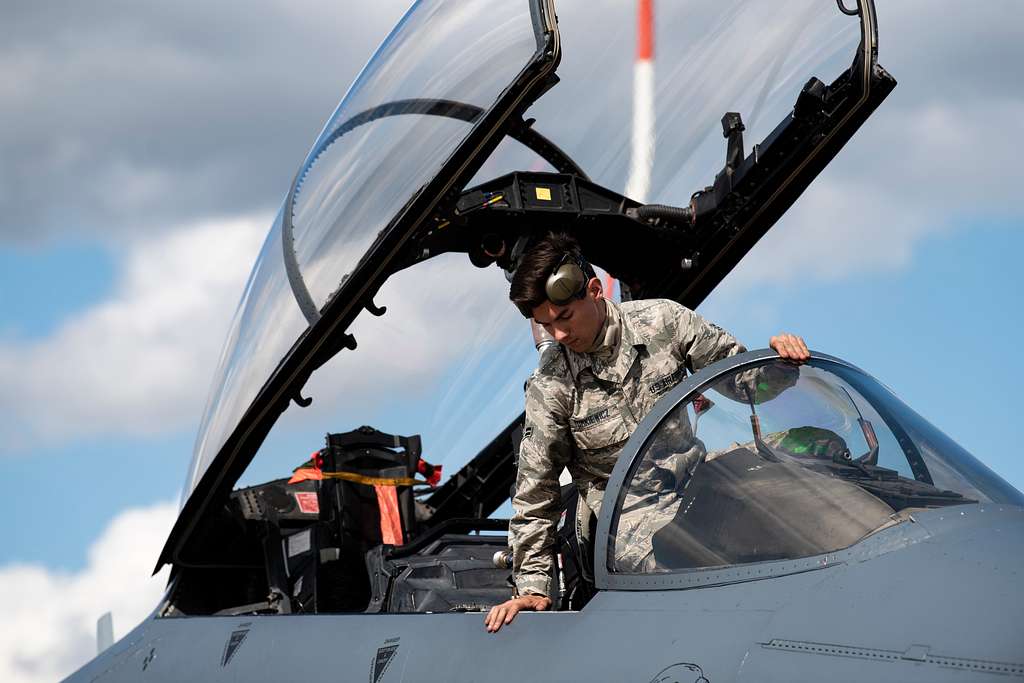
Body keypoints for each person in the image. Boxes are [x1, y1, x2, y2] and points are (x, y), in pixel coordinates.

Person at [484, 233, 808, 633]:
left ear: (595, 291)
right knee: (697, 561)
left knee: (813, 468)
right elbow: (536, 494)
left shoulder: (664, 322)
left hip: (697, 478)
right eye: (546, 325)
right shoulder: (550, 386)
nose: (560, 336)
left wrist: (780, 362)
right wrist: (533, 586)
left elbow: (743, 382)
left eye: (564, 317)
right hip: (627, 517)